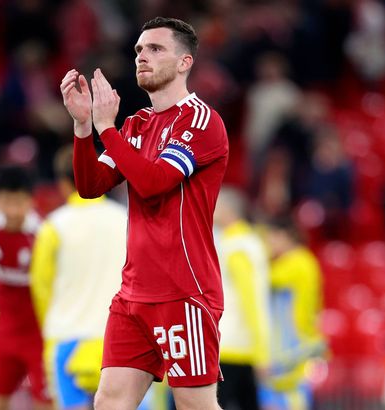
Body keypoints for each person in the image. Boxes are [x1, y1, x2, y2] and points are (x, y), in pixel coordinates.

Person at [60, 16, 229, 410]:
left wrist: (107, 128)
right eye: (138, 50)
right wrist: (84, 126)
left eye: (155, 49)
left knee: (193, 405)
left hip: (182, 291)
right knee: (109, 402)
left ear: (185, 62)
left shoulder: (200, 122)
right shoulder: (137, 125)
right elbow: (91, 186)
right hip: (133, 295)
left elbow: (153, 184)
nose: (142, 57)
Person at [29, 145, 128, 409]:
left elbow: (40, 287)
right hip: (121, 342)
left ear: (62, 184)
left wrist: (50, 327)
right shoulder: (126, 220)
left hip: (67, 339)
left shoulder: (53, 226)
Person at [0, 166, 51, 410]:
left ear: (30, 201)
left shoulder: (43, 234)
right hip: (4, 333)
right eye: (6, 202)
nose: (13, 210)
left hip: (40, 335)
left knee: (45, 403)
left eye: (18, 203)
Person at [213, 187, 270, 410]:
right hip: (241, 346)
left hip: (231, 345)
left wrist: (262, 352)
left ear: (227, 211)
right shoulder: (246, 242)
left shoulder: (237, 247)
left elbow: (251, 300)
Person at [260, 217, 325, 410]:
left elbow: (264, 279)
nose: (267, 243)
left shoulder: (299, 261)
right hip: (291, 343)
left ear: (284, 236)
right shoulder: (298, 260)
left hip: (296, 342)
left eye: (270, 238)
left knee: (293, 397)